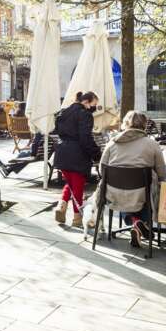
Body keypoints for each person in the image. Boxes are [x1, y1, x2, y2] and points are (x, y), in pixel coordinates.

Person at [96, 111, 166, 248]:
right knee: (152, 190)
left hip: (113, 193)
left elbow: (102, 169)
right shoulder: (151, 144)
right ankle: (140, 223)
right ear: (144, 125)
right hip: (142, 193)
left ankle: (135, 223)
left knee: (126, 193)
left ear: (125, 123)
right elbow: (161, 171)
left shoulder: (113, 142)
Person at [52, 91, 101, 228]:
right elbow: (85, 138)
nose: (94, 108)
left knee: (71, 183)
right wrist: (96, 154)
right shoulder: (85, 114)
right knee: (78, 186)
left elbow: (58, 131)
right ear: (86, 102)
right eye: (94, 104)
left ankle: (61, 206)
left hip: (62, 153)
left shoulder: (63, 112)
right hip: (77, 154)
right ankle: (77, 218)